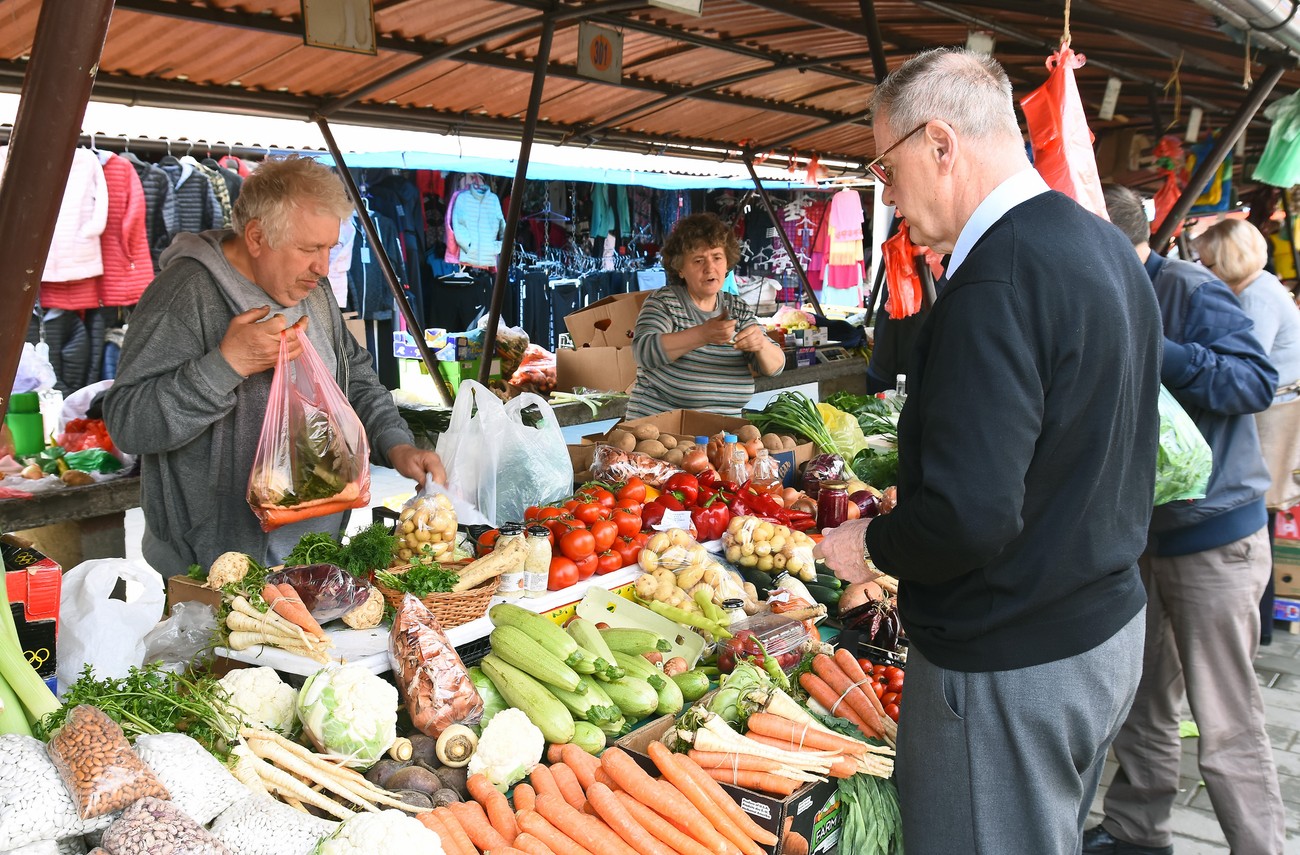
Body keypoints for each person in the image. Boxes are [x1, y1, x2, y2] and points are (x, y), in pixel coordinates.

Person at [813, 48, 1162, 854]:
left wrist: (865, 542)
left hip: (1011, 664)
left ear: (941, 143)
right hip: (1103, 631)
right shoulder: (1103, 246)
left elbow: (968, 519)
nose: (886, 193)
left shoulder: (993, 283)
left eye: (884, 165)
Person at [104, 156, 445, 577]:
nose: (323, 267)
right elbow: (128, 423)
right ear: (256, 237)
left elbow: (353, 373)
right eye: (308, 249)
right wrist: (226, 366)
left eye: (330, 248)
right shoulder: (186, 294)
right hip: (212, 572)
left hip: (319, 553)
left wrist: (397, 444)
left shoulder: (311, 290)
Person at [1085, 187, 1283, 855]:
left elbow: (1255, 381)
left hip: (1214, 538)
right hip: (1141, 535)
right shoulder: (1100, 296)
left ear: (1111, 238)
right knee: (1142, 698)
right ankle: (1140, 831)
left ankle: (1261, 846)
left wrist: (1162, 351)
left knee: (1225, 716)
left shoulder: (1189, 290)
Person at [1196, 217, 1300, 646]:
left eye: (1207, 261)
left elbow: (1241, 371)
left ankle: (1260, 621)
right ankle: (1262, 621)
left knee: (1259, 509)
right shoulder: (1263, 286)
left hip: (1275, 412)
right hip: (1278, 404)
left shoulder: (1257, 295)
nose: (1203, 269)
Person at [627, 213, 785, 417]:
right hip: (661, 434)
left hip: (721, 438)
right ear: (680, 268)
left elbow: (776, 367)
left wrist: (761, 344)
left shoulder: (736, 307)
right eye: (698, 260)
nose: (710, 268)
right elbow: (643, 351)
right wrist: (702, 334)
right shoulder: (664, 302)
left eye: (717, 258)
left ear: (727, 263)